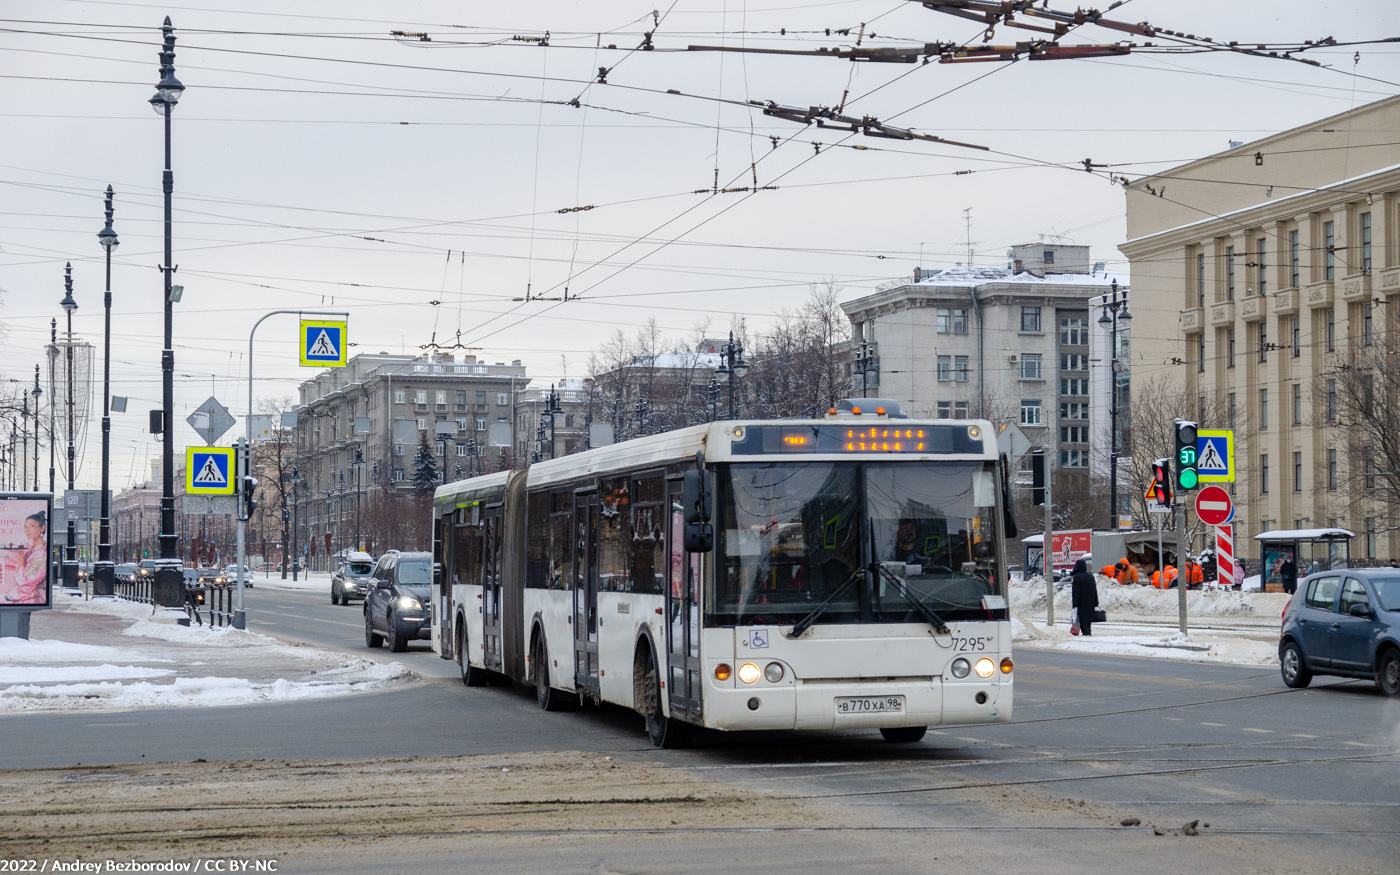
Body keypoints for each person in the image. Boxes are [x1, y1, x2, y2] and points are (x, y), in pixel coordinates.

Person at [3, 511, 48, 604]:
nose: (27, 530)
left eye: (32, 526)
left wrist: (20, 555)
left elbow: (25, 582)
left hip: (32, 598)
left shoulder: (42, 554)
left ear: (42, 528)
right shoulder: (31, 547)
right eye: (25, 527)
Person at [1070, 557, 1099, 637]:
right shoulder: (1090, 576)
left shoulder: (1077, 577)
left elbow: (1075, 593)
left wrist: (1074, 605)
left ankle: (1086, 635)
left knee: (1082, 620)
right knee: (1088, 621)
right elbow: (1094, 590)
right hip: (1090, 602)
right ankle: (1087, 633)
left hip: (1081, 603)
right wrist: (1096, 602)